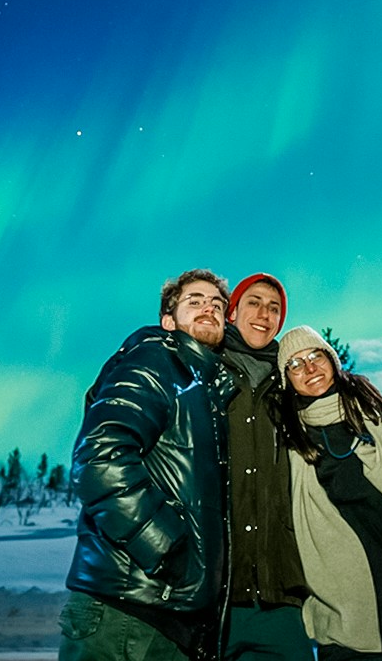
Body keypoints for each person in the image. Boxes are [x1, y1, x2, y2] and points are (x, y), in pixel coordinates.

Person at [60, 269, 237, 661]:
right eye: (195, 301)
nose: (209, 308)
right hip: (126, 607)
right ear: (168, 320)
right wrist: (166, 547)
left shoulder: (203, 389)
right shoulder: (154, 360)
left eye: (217, 304)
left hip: (168, 614)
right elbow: (99, 457)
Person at [273, 324, 382, 661]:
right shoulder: (291, 444)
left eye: (316, 356)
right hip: (353, 628)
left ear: (332, 360)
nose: (310, 368)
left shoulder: (376, 416)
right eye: (295, 364)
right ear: (287, 380)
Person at [221, 273, 310, 660]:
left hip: (280, 590)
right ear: (233, 310)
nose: (264, 314)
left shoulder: (291, 383)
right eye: (254, 302)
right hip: (217, 591)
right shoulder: (203, 370)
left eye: (274, 308)